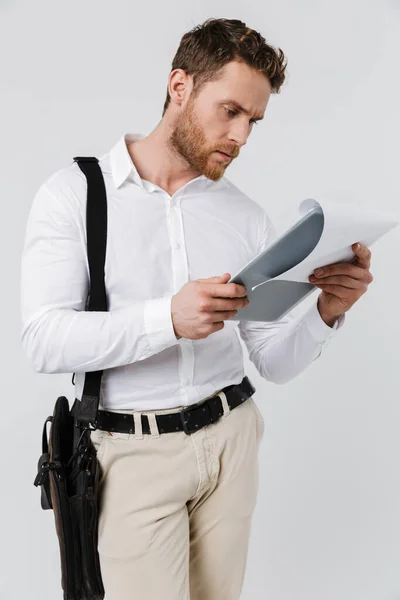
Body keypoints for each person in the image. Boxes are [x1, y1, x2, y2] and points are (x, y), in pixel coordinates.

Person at [20, 17, 373, 600]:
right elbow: (43, 338)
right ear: (179, 86)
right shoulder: (76, 195)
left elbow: (272, 360)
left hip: (232, 441)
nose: (240, 136)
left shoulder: (243, 215)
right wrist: (168, 319)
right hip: (132, 455)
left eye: (253, 121)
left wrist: (326, 311)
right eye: (229, 111)